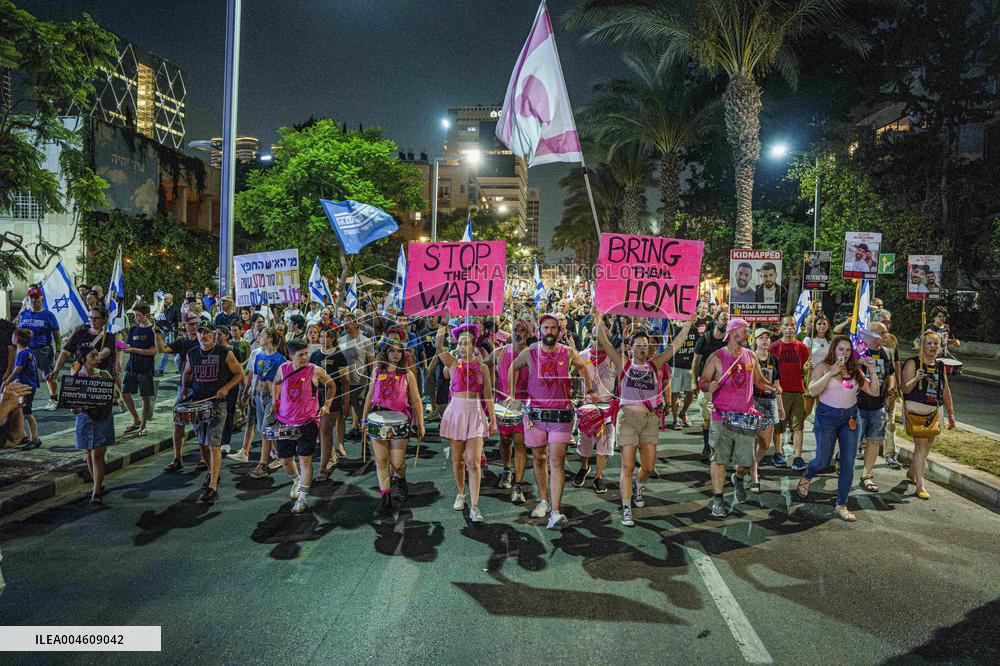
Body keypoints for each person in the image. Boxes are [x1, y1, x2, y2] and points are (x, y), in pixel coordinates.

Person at [594, 306, 697, 527]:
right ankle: (626, 507)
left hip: (649, 420)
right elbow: (605, 343)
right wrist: (597, 318)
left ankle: (639, 487)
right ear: (630, 349)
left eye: (645, 345)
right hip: (627, 420)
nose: (642, 348)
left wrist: (688, 323)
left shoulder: (655, 363)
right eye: (638, 345)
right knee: (627, 466)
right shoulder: (624, 363)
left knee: (648, 467)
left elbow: (676, 345)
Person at [507, 313, 594, 529]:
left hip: (560, 415)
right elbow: (513, 368)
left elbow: (582, 367)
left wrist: (588, 390)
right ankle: (544, 501)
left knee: (556, 460)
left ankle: (555, 511)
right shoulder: (530, 352)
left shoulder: (567, 351)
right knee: (538, 459)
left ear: (559, 330)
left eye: (553, 328)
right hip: (535, 415)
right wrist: (512, 395)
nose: (549, 332)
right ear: (539, 330)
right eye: (546, 328)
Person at [697, 318, 778, 518]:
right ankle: (718, 498)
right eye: (745, 331)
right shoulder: (717, 357)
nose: (748, 334)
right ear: (733, 332)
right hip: (721, 417)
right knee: (719, 459)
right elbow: (703, 381)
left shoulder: (750, 356)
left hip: (745, 417)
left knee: (746, 460)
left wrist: (771, 386)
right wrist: (708, 386)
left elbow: (759, 380)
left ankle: (738, 478)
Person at [796, 335, 880, 521]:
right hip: (827, 417)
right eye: (841, 349)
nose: (845, 353)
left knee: (848, 464)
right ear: (834, 349)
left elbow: (874, 392)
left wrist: (872, 372)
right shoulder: (823, 367)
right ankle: (808, 473)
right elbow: (812, 391)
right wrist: (830, 373)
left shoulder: (855, 370)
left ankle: (841, 503)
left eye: (848, 350)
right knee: (822, 461)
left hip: (850, 418)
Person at [436, 323, 497, 523]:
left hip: (475, 414)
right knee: (457, 460)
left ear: (474, 346)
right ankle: (461, 493)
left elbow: (488, 395)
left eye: (467, 343)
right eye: (460, 343)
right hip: (456, 413)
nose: (462, 347)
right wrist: (442, 326)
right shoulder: (453, 364)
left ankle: (475, 506)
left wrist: (493, 419)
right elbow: (439, 347)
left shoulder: (483, 367)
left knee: (474, 461)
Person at [179, 322, 245, 503]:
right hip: (198, 403)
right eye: (201, 332)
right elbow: (187, 372)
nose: (204, 336)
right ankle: (212, 473)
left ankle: (212, 487)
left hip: (217, 404)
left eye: (207, 332)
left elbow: (240, 373)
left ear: (213, 334)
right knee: (202, 443)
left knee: (214, 444)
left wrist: (226, 388)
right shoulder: (192, 353)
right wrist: (184, 388)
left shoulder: (224, 352)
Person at [269, 339, 337, 514]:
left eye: (306, 353)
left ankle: (303, 497)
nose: (305, 357)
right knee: (285, 460)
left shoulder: (315, 370)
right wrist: (275, 401)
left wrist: (327, 404)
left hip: (308, 422)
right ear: (291, 356)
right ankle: (296, 480)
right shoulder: (282, 369)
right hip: (284, 421)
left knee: (305, 459)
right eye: (300, 355)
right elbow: (276, 382)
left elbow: (331, 385)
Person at [362, 335, 425, 517]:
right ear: (386, 352)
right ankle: (386, 499)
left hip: (400, 421)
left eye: (399, 351)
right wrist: (364, 419)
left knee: (397, 463)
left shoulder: (408, 374)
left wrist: (420, 424)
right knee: (381, 462)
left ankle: (401, 479)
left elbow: (416, 400)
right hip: (378, 418)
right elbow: (368, 395)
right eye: (392, 351)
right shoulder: (376, 371)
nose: (396, 354)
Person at [900, 332, 955, 500]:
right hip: (916, 409)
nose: (932, 347)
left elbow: (945, 391)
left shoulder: (939, 365)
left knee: (929, 443)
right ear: (922, 345)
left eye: (935, 344)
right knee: (921, 444)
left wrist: (951, 413)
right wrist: (916, 378)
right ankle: (920, 485)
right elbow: (904, 389)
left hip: (933, 410)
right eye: (929, 343)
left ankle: (912, 471)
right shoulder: (912, 363)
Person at [571, 315, 620, 495]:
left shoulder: (614, 357)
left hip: (607, 408)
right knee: (584, 445)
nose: (598, 341)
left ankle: (598, 477)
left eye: (602, 338)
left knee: (604, 445)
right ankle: (584, 468)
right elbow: (572, 377)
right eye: (595, 337)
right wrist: (575, 395)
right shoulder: (582, 355)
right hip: (586, 407)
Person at [485, 318, 531, 502]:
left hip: (524, 405)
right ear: (510, 331)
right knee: (505, 441)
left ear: (528, 334)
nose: (518, 333)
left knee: (520, 443)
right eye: (515, 329)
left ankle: (518, 485)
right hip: (503, 404)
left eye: (523, 330)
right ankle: (506, 470)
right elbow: (481, 366)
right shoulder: (500, 352)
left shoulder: (532, 354)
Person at [71, 344, 117, 505]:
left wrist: (103, 384)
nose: (97, 359)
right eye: (93, 356)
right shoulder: (77, 378)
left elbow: (116, 395)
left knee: (98, 455)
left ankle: (96, 491)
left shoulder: (103, 373)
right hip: (85, 419)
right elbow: (74, 408)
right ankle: (96, 484)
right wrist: (76, 406)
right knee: (88, 454)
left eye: (97, 355)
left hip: (102, 418)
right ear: (83, 359)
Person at [242, 328, 287, 477]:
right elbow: (256, 375)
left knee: (265, 430)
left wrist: (277, 400)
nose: (259, 338)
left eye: (262, 335)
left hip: (272, 397)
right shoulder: (259, 355)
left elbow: (283, 382)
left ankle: (263, 464)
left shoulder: (280, 359)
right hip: (259, 396)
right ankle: (281, 455)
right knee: (264, 430)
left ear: (270, 339)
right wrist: (252, 393)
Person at [857, 323, 895, 493]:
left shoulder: (886, 352)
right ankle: (841, 459)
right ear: (871, 334)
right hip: (857, 405)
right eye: (882, 332)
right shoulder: (858, 351)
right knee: (853, 442)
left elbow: (890, 373)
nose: (885, 335)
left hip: (878, 406)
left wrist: (891, 386)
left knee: (874, 441)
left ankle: (866, 475)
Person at [309, 325, 350, 480]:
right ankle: (330, 454)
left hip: (333, 396)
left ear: (333, 338)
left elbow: (345, 381)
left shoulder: (340, 356)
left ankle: (323, 466)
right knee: (319, 431)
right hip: (316, 396)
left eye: (327, 336)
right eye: (321, 336)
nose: (323, 339)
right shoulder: (314, 356)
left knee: (325, 429)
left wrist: (346, 401)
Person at [770, 316, 811, 471]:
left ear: (796, 327)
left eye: (792, 325)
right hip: (781, 391)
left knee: (798, 425)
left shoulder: (802, 347)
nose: (789, 328)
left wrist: (808, 368)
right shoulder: (775, 347)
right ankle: (778, 452)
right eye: (786, 325)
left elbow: (804, 369)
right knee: (779, 424)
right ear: (781, 328)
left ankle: (798, 456)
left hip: (798, 390)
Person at [691, 307, 729, 461]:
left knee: (720, 420)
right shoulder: (705, 339)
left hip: (724, 386)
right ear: (716, 320)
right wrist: (694, 381)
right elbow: (696, 362)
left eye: (728, 320)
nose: (726, 322)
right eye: (723, 319)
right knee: (707, 418)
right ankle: (707, 446)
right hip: (707, 384)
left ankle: (718, 447)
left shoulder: (730, 340)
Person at [749, 328, 783, 494]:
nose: (764, 340)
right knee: (753, 440)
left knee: (765, 444)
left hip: (770, 402)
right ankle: (754, 475)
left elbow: (777, 385)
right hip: (753, 402)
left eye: (767, 338)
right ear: (754, 340)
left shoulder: (774, 359)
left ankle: (753, 463)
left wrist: (780, 406)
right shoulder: (749, 357)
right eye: (761, 337)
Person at [16, 286, 61, 410]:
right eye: (31, 298)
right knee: (23, 376)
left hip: (43, 349)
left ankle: (54, 399)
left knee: (48, 375)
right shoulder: (24, 314)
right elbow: (17, 330)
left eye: (36, 298)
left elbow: (56, 334)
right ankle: (23, 400)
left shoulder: (48, 315)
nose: (34, 300)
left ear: (41, 299)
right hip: (25, 350)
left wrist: (58, 350)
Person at [870, 310, 903, 470]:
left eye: (889, 323)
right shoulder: (864, 343)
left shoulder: (892, 340)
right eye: (884, 323)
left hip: (888, 391)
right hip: (868, 394)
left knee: (890, 421)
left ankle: (890, 454)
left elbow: (895, 364)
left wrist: (896, 385)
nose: (888, 328)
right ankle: (860, 448)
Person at [669, 302, 709, 429]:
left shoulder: (695, 327)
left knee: (690, 392)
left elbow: (698, 345)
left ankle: (683, 412)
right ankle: (675, 420)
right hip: (676, 365)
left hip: (689, 365)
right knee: (675, 393)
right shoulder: (673, 325)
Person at [121, 303, 157, 436]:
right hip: (132, 365)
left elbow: (153, 351)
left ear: (146, 315)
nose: (135, 318)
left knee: (145, 396)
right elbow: (129, 344)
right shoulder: (133, 329)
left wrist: (134, 350)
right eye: (134, 315)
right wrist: (123, 346)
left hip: (145, 367)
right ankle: (136, 418)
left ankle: (143, 424)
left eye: (138, 315)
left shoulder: (152, 330)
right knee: (125, 393)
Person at [1, 329, 40, 447]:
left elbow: (18, 369)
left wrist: (7, 381)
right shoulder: (29, 351)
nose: (11, 338)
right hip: (29, 385)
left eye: (13, 336)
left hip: (25, 387)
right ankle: (23, 436)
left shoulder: (22, 354)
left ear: (17, 339)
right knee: (19, 410)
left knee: (27, 412)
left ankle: (35, 439)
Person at [339, 312, 374, 441]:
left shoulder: (366, 341)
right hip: (344, 383)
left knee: (360, 411)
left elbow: (372, 363)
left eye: (348, 321)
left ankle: (365, 438)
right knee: (342, 412)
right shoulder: (340, 340)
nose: (345, 324)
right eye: (343, 321)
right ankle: (342, 441)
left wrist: (373, 381)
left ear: (356, 324)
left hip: (360, 382)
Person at [802, 314, 833, 422]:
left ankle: (819, 427)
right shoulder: (808, 339)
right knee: (807, 409)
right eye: (819, 323)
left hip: (825, 377)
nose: (822, 326)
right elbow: (804, 358)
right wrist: (807, 366)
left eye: (824, 323)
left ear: (828, 326)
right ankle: (796, 429)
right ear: (814, 325)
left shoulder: (830, 341)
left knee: (822, 406)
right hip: (811, 376)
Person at [155, 293, 180, 376]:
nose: (164, 300)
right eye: (164, 299)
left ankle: (160, 369)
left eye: (166, 299)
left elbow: (179, 322)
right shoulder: (165, 309)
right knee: (172, 351)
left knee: (168, 351)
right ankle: (180, 367)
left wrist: (178, 333)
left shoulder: (176, 309)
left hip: (173, 333)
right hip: (167, 332)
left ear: (171, 299)